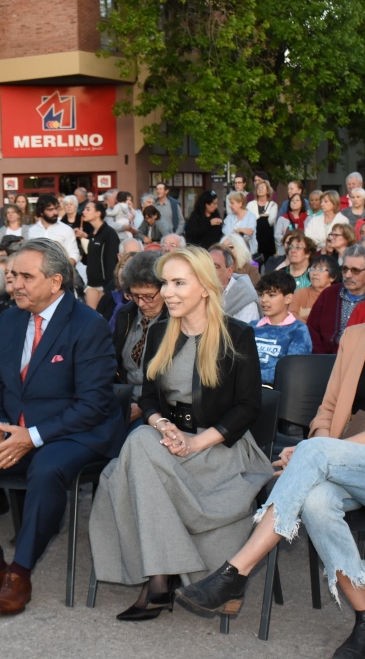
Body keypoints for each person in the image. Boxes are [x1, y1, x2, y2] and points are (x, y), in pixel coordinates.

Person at [176, 240, 365, 659]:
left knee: (315, 454)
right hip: (349, 461)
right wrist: (318, 447)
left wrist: (323, 451)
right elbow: (329, 409)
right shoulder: (356, 336)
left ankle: (235, 571)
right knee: (313, 501)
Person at [0, 238, 126, 616]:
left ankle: (19, 573)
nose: (15, 284)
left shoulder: (89, 325)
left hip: (75, 434)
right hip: (14, 429)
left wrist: (32, 437)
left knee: (47, 466)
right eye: (13, 276)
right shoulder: (9, 318)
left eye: (26, 276)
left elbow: (92, 405)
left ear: (55, 282)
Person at [89, 245, 273, 621]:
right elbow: (149, 399)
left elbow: (248, 408)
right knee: (140, 441)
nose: (166, 292)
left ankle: (158, 581)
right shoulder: (159, 334)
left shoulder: (237, 335)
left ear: (204, 287)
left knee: (130, 459)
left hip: (221, 447)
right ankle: (163, 576)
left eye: (178, 283)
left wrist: (196, 441)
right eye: (165, 283)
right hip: (167, 442)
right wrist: (163, 425)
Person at [112, 251, 167, 427]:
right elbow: (112, 363)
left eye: (149, 296)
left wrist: (144, 408)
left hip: (157, 408)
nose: (141, 303)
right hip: (122, 398)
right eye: (135, 296)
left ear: (164, 290)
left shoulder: (175, 322)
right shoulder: (126, 314)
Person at [306, 245, 365, 354]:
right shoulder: (329, 294)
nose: (348, 275)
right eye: (345, 269)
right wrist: (320, 357)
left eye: (355, 271)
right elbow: (312, 329)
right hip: (324, 360)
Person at [251, 271, 312, 385]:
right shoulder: (252, 327)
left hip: (277, 393)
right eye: (261, 294)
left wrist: (250, 375)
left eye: (271, 295)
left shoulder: (298, 331)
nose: (264, 300)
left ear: (288, 298)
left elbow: (291, 370)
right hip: (246, 389)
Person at [79, 200, 121, 310]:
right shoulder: (92, 234)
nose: (84, 212)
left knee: (104, 317)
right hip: (92, 282)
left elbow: (112, 261)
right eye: (84, 209)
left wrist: (108, 285)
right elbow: (88, 258)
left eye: (88, 209)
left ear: (98, 213)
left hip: (105, 284)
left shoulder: (109, 233)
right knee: (91, 317)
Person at [209, 244, 259, 323]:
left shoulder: (246, 298)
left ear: (229, 271)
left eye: (216, 267)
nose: (209, 271)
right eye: (206, 266)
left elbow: (246, 334)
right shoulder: (198, 291)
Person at [27, 194, 79, 265]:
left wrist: (66, 269)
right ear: (41, 212)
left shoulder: (66, 229)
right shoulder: (31, 231)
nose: (55, 212)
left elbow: (74, 253)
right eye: (50, 210)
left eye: (56, 208)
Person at [290, 254, 340, 322]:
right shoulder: (301, 293)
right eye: (312, 269)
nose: (315, 273)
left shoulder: (337, 298)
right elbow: (291, 316)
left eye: (321, 269)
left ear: (332, 277)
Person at [247, 181, 278, 260]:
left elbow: (271, 221)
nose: (260, 189)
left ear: (267, 190)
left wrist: (259, 217)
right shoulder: (251, 204)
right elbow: (251, 219)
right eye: (258, 188)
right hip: (254, 236)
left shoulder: (273, 205)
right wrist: (263, 216)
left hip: (268, 238)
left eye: (263, 187)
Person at [223, 192, 258, 257]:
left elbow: (247, 236)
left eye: (232, 203)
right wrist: (240, 230)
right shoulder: (229, 217)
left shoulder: (251, 217)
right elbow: (226, 233)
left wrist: (235, 231)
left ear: (240, 204)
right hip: (232, 253)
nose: (229, 206)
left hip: (248, 253)